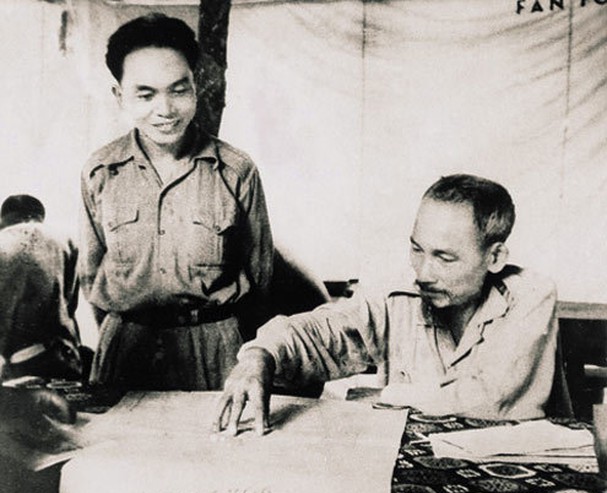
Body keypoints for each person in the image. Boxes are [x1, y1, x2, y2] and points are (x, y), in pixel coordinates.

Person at [215, 174, 559, 435]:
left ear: (495, 257)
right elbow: (328, 329)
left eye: (444, 258)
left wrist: (385, 396)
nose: (424, 272)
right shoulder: (401, 294)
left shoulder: (531, 296)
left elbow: (493, 399)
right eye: (417, 249)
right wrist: (262, 354)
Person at [78, 14, 273, 390]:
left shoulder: (236, 171)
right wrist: (124, 330)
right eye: (146, 95)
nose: (165, 109)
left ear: (197, 86)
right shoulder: (100, 172)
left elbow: (260, 283)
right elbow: (91, 277)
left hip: (215, 350)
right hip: (125, 350)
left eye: (178, 90)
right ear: (119, 96)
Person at [0, 195, 82, 381]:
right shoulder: (64, 240)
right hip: (54, 353)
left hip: (7, 357)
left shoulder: (3, 239)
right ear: (39, 217)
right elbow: (70, 304)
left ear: (4, 218)